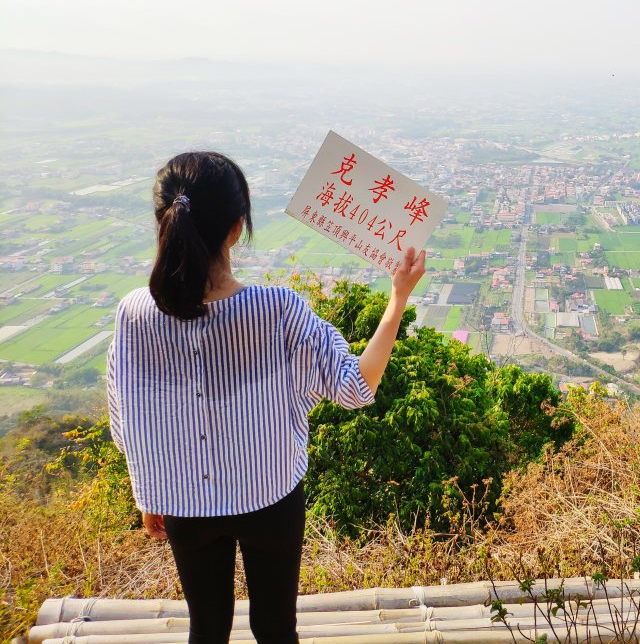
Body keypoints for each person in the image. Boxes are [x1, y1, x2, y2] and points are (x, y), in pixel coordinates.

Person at [106, 151, 425, 644]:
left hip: (183, 504)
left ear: (164, 220)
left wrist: (149, 490)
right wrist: (398, 296)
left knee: (206, 628)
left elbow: (123, 411)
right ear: (237, 228)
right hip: (270, 499)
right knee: (276, 628)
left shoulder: (133, 313)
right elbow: (356, 387)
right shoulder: (277, 310)